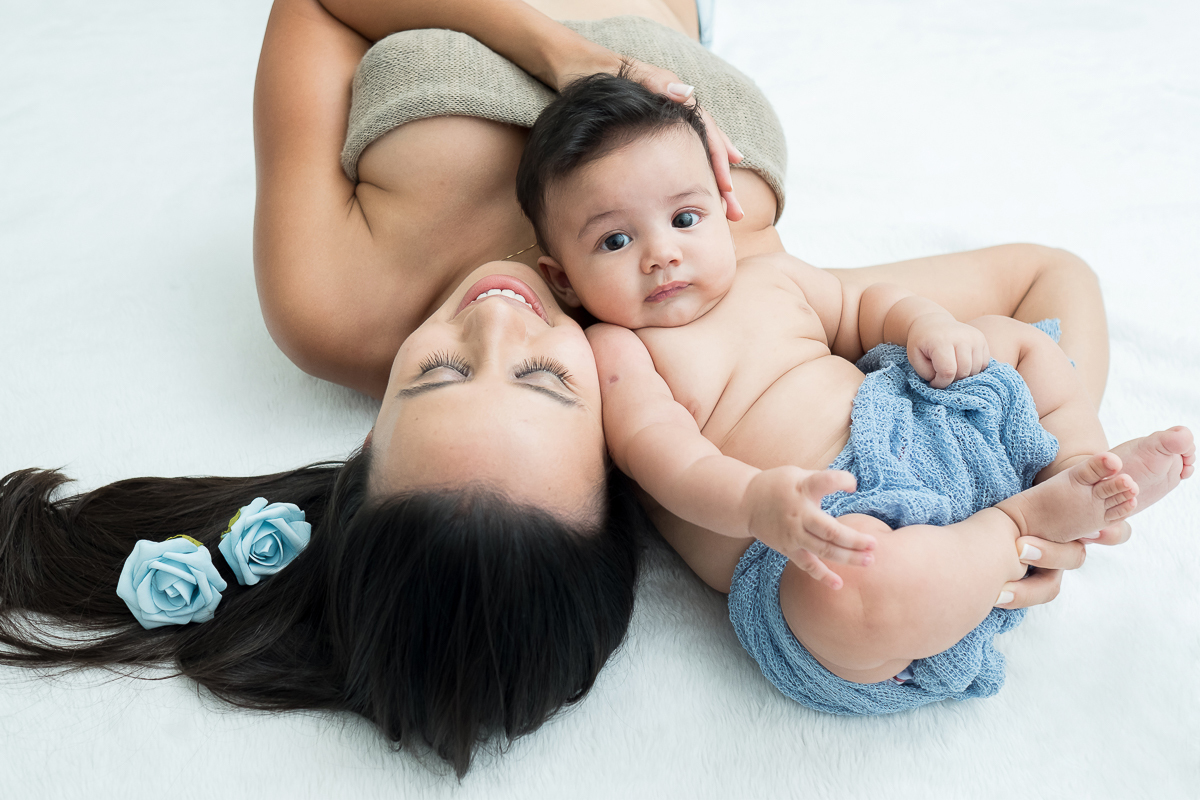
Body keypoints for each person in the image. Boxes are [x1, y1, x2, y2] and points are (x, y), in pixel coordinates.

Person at [0, 0, 1135, 776]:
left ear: (369, 437)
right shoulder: (708, 290)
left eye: (436, 372)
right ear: (618, 466)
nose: (500, 319)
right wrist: (1044, 477)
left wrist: (546, 45)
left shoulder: (333, 302)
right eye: (549, 379)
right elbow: (1050, 279)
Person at [513, 73, 1194, 710]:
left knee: (1008, 340)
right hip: (812, 536)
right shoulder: (618, 349)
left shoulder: (772, 278)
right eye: (616, 239)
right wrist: (756, 502)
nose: (660, 253)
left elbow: (863, 308)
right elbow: (667, 457)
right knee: (854, 594)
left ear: (726, 209)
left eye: (684, 219)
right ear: (563, 278)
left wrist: (924, 323)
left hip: (911, 431)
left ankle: (1077, 462)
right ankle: (1019, 524)